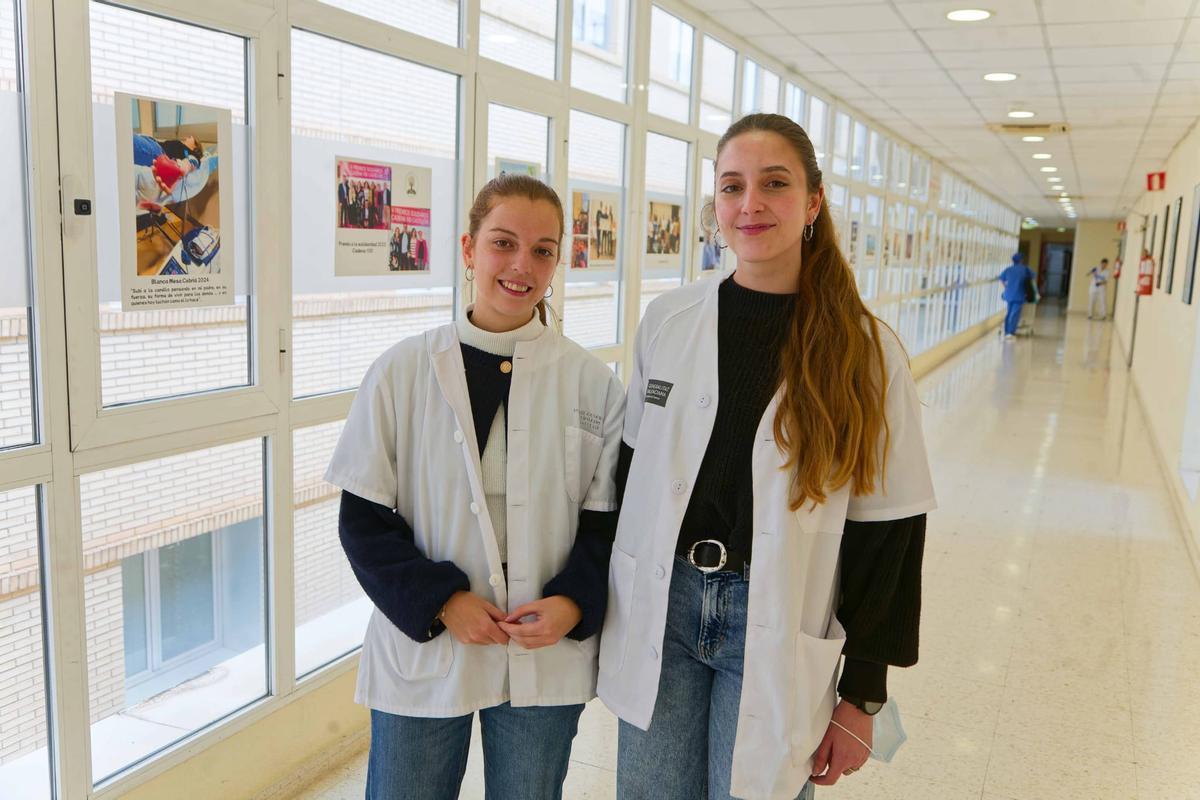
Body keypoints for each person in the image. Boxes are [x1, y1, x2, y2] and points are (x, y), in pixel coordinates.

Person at [598, 113, 936, 800]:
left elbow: (891, 531)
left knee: (755, 791)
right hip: (666, 602)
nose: (749, 204)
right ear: (715, 205)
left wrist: (862, 694)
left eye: (773, 184)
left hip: (774, 615)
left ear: (812, 202)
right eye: (731, 187)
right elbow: (629, 473)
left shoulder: (867, 355)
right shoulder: (669, 320)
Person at [326, 173, 626, 800]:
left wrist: (573, 603)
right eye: (503, 243)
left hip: (542, 647)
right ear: (469, 249)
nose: (522, 265)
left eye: (543, 250)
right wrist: (441, 602)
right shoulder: (403, 370)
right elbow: (363, 521)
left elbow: (608, 527)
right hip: (429, 642)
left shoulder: (592, 384)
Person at [999, 253, 1036, 339]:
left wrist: (1007, 287)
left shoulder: (1008, 269)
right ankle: (1011, 333)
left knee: (1009, 312)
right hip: (1019, 294)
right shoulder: (1025, 269)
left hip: (1008, 294)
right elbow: (1033, 277)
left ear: (1013, 260)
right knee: (1015, 313)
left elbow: (1001, 279)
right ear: (1021, 260)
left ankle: (1007, 331)